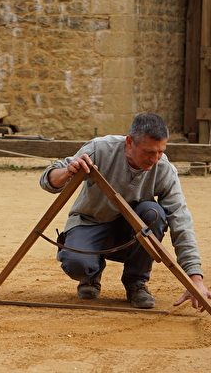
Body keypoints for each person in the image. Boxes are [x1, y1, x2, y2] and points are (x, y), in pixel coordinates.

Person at [40, 113, 211, 310]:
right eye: (149, 152)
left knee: (153, 213)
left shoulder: (164, 169)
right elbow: (48, 179)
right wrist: (68, 171)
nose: (155, 159)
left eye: (160, 152)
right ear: (129, 142)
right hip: (91, 223)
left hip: (132, 232)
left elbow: (180, 220)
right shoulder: (99, 148)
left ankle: (136, 283)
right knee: (76, 265)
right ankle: (91, 275)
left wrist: (194, 278)